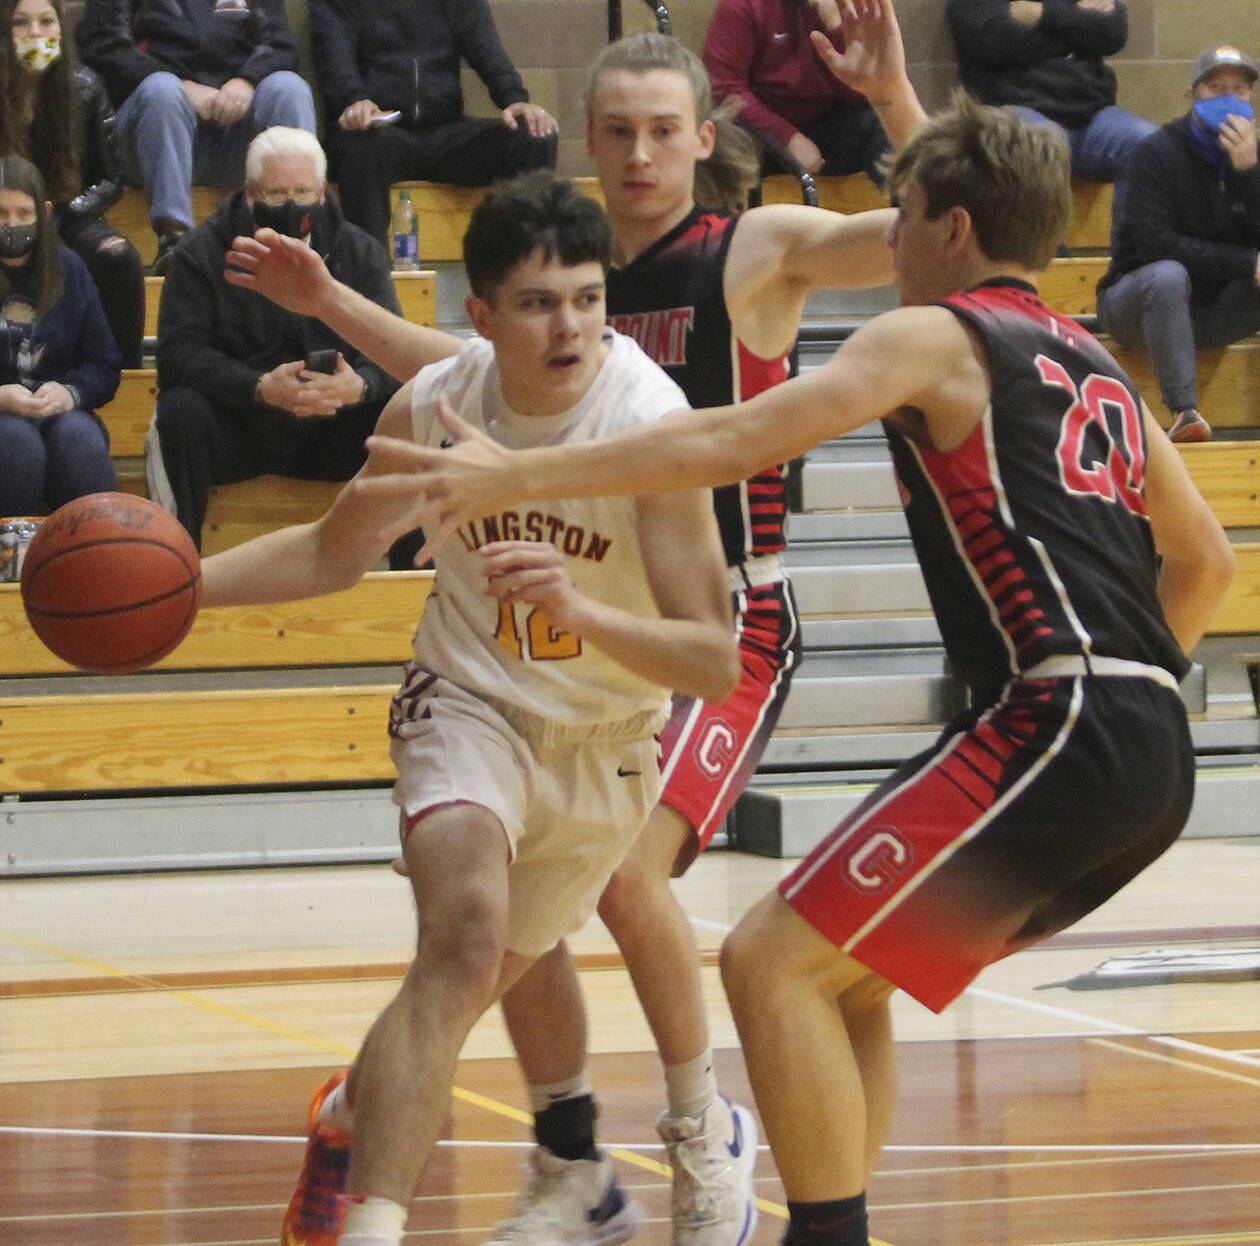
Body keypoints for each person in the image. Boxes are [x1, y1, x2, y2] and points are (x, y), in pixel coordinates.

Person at [359, 93, 1237, 1246]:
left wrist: (519, 479)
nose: (892, 236)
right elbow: (1208, 560)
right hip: (1149, 742)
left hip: (1060, 716)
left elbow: (733, 438)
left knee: (768, 961)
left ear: (954, 232)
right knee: (840, 975)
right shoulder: (1094, 356)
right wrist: (1133, 696)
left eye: (906, 214)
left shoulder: (934, 334)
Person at [226, 6, 926, 1241]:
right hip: (534, 632)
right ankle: (561, 1158)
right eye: (617, 133)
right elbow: (461, 362)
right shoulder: (566, 276)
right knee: (494, 916)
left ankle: (702, 1125)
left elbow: (924, 235)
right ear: (590, 145)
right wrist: (337, 305)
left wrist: (895, 103)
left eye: (665, 130)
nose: (642, 153)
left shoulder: (750, 248)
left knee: (620, 876)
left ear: (704, 136)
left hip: (715, 611)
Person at [208, 169, 739, 1246]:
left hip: (607, 745)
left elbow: (713, 661)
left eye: (588, 298)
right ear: (483, 319)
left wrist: (581, 609)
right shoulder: (438, 404)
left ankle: (350, 1115)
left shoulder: (650, 428)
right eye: (541, 302)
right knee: (463, 942)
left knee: (451, 997)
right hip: (469, 700)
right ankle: (379, 1228)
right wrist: (185, 588)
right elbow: (328, 551)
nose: (570, 324)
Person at [149, 126, 400, 552]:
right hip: (238, 425)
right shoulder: (199, 253)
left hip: (331, 429)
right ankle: (173, 565)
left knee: (410, 412)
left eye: (302, 192)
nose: (291, 205)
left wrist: (360, 385)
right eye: (277, 193)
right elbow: (177, 356)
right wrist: (260, 387)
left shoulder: (360, 253)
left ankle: (414, 579)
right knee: (178, 411)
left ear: (322, 192)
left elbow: (395, 352)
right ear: (250, 194)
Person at [1097, 43, 1260, 445]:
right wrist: (1246, 263)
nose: (1228, 99)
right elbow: (1156, 246)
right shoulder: (1153, 153)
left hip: (1216, 310)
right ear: (1193, 95)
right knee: (1168, 275)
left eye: (1239, 90)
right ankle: (1185, 412)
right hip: (1139, 305)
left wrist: (1248, 175)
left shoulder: (1254, 157)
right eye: (1216, 88)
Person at [74, 0, 316, 269]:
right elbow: (102, 44)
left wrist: (247, 81)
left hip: (233, 135)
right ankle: (174, 242)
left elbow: (281, 45)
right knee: (163, 90)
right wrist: (181, 85)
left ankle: (295, 234)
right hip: (152, 139)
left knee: (290, 88)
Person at [307, 0, 558, 249]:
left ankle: (532, 263)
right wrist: (354, 101)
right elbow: (333, 55)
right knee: (359, 148)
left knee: (536, 134)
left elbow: (484, 44)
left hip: (446, 132)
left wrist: (513, 99)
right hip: (377, 133)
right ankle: (371, 280)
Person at [1, 0, 145, 366]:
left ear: (60, 30)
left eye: (46, 22)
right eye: (21, 22)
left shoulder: (87, 88)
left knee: (121, 258)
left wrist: (65, 215)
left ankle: (124, 375)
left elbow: (112, 179)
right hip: (6, 217)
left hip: (69, 213)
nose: (36, 33)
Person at [945, 0, 1155, 226]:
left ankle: (1133, 259)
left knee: (1149, 145)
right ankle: (1052, 259)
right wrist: (1077, 28)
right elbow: (994, 40)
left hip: (1091, 116)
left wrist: (1041, 13)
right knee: (1041, 145)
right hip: (1018, 114)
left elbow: (1113, 31)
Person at [0, 154, 120, 516]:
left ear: (45, 213)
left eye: (23, 213)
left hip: (60, 411)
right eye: (1, 213)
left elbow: (104, 365)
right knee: (17, 445)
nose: (11, 224)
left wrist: (71, 392)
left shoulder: (70, 269)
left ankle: (92, 558)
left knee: (79, 442)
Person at [703, 0, 890, 184]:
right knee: (730, 137)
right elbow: (725, 88)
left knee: (880, 121)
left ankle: (903, 208)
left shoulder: (855, 6)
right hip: (762, 127)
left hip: (829, 117)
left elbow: (863, 93)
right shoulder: (742, 5)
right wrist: (787, 137)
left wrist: (835, 26)